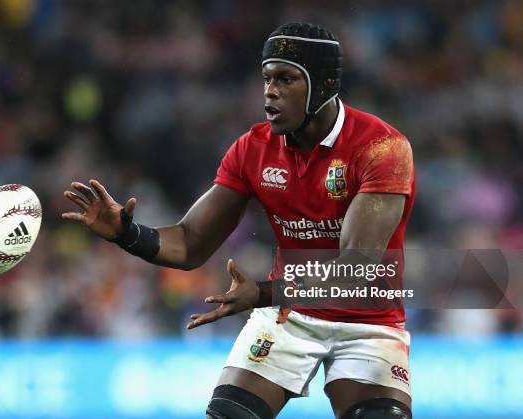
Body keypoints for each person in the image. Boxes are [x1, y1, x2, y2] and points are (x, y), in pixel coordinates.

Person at [62, 22, 415, 419]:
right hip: (290, 315)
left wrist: (263, 293)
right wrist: (127, 234)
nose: (271, 91)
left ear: (324, 83)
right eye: (266, 78)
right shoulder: (252, 149)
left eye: (286, 78)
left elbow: (357, 269)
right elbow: (191, 242)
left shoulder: (382, 147)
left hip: (367, 320)